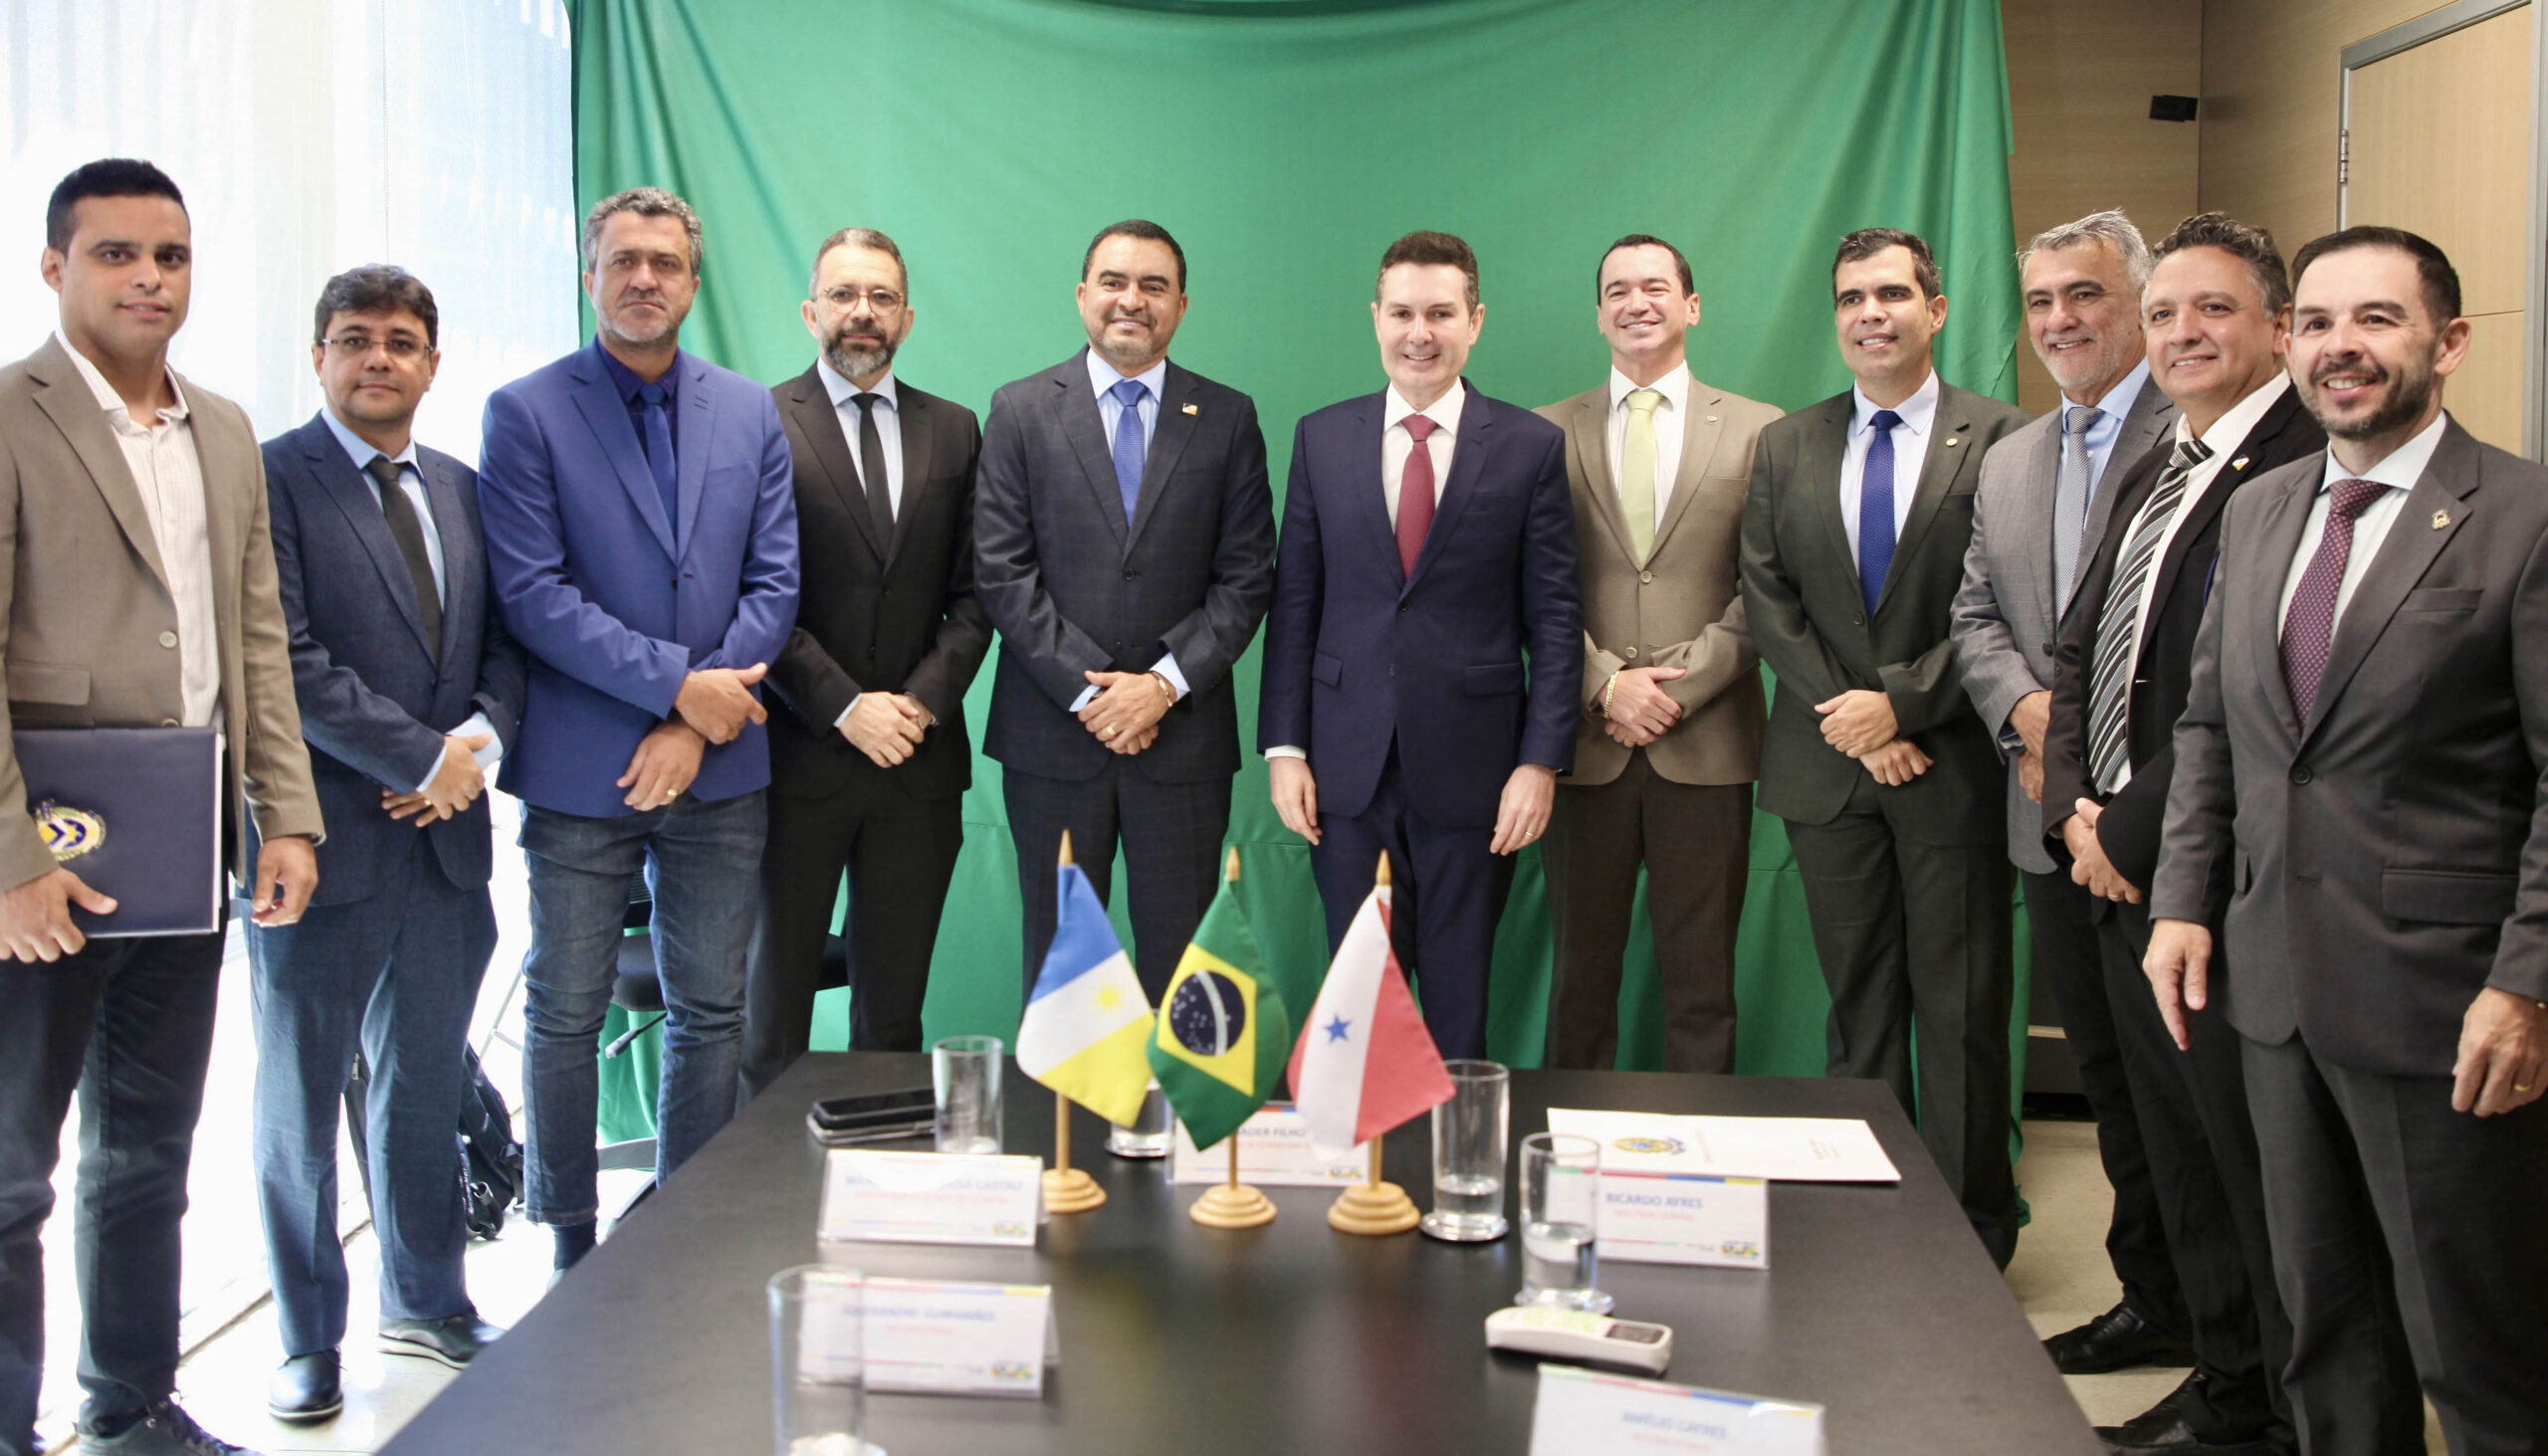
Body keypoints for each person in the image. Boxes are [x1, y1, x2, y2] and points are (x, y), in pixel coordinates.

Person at [2146, 227, 2548, 1456]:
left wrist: (2527, 982)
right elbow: (2211, 725)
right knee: (2327, 1336)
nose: (2340, 347)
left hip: (2444, 1006)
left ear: (2448, 341)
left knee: (2474, 1352)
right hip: (2272, 995)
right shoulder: (2261, 510)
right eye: (2316, 322)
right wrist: (2181, 898)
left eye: (2376, 318)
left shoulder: (2522, 516)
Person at [0, 158, 322, 1456]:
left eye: (170, 256)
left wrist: (285, 812)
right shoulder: (9, 416)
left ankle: (128, 1408)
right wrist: (9, 861)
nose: (149, 278)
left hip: (186, 855)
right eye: (117, 253)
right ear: (55, 267)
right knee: (11, 1172)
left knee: (147, 1154)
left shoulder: (225, 429)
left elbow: (258, 638)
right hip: (42, 869)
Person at [478, 186, 798, 1274]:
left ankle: (684, 1237)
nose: (644, 278)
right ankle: (569, 1245)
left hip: (722, 766)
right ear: (590, 277)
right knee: (565, 1012)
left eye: (664, 262)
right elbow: (533, 594)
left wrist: (697, 724)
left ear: (693, 284)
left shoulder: (749, 411)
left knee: (711, 1009)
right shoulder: (525, 412)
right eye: (623, 260)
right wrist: (676, 691)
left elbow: (774, 583)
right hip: (583, 767)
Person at [2043, 213, 2322, 1456]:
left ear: (2276, 326)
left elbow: (2245, 696)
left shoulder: (2300, 463)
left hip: (2207, 870)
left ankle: (2267, 1401)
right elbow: (2079, 641)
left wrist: (2126, 829)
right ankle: (2221, 1370)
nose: (2180, 332)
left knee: (2237, 1157)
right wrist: (2070, 805)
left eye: (2213, 309)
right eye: (2163, 312)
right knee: (2168, 1143)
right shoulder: (2165, 452)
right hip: (2107, 850)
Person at [251, 266, 526, 1420]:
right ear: (318, 355)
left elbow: (504, 643)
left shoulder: (462, 486)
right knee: (300, 1100)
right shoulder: (269, 476)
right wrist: (419, 756)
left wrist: (476, 741)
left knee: (420, 1085)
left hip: (445, 845)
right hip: (316, 842)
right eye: (354, 338)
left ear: (431, 362)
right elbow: (284, 655)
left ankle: (426, 1297)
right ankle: (305, 1337)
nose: (378, 357)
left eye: (401, 341)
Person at [1738, 228, 2029, 1263]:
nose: (1872, 313)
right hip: (1828, 772)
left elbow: (2016, 602)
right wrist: (1855, 722)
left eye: (1893, 294)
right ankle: (1867, 1223)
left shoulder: (2004, 439)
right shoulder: (1786, 443)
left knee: (1960, 1013)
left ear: (1935, 310)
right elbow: (1767, 598)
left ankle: (1970, 1239)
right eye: (1852, 297)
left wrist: (1899, 708)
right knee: (1858, 1007)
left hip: (1952, 766)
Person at [1948, 210, 2187, 1368]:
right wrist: (2027, 715)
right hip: (2041, 812)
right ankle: (2155, 1296)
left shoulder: (2192, 435)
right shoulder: (2010, 456)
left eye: (2084, 294)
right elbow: (1973, 613)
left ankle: (2225, 1328)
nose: (2060, 319)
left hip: (2156, 825)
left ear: (2138, 301)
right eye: (2041, 300)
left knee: (2178, 1088)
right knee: (2106, 1075)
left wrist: (2087, 752)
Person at [1259, 230, 1581, 1060]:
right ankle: (1363, 1149)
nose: (1419, 333)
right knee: (1358, 1008)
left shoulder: (1530, 446)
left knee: (1458, 1005)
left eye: (1440, 313)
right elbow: (1296, 603)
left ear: (1476, 321)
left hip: (1478, 778)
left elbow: (1554, 620)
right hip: (1344, 772)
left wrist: (1540, 762)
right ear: (1376, 317)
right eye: (1402, 312)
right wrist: (1285, 748)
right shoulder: (1321, 437)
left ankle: (1452, 1146)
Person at [973, 220, 1275, 1000]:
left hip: (1183, 744)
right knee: (1062, 977)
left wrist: (1162, 686)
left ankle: (1173, 1098)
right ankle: (1063, 1098)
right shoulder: (1019, 410)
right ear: (1083, 295)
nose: (1131, 300)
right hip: (1052, 740)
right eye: (1113, 281)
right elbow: (1002, 572)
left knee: (1184, 982)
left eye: (1153, 286)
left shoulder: (1229, 417)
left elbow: (1247, 577)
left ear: (1181, 305)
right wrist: (1097, 694)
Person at [1534, 234, 1778, 1073]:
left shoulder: (1759, 430)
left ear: (1692, 305)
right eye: (1617, 291)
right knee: (1579, 981)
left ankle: (1699, 1147)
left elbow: (1771, 587)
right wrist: (1606, 684)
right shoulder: (1542, 432)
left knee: (1703, 984)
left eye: (1655, 287)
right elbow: (1524, 588)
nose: (1636, 302)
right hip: (1583, 745)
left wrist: (1677, 687)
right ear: (1598, 315)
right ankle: (1565, 1138)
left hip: (1707, 744)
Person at [749, 228, 988, 1077]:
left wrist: (917, 705)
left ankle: (879, 1162)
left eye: (881, 297)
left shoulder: (955, 430)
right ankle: (762, 1171)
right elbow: (752, 594)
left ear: (907, 318)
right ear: (810, 311)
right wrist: (845, 706)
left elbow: (976, 595)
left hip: (917, 768)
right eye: (844, 295)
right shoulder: (758, 421)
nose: (863, 312)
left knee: (891, 1022)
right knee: (769, 1019)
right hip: (794, 760)